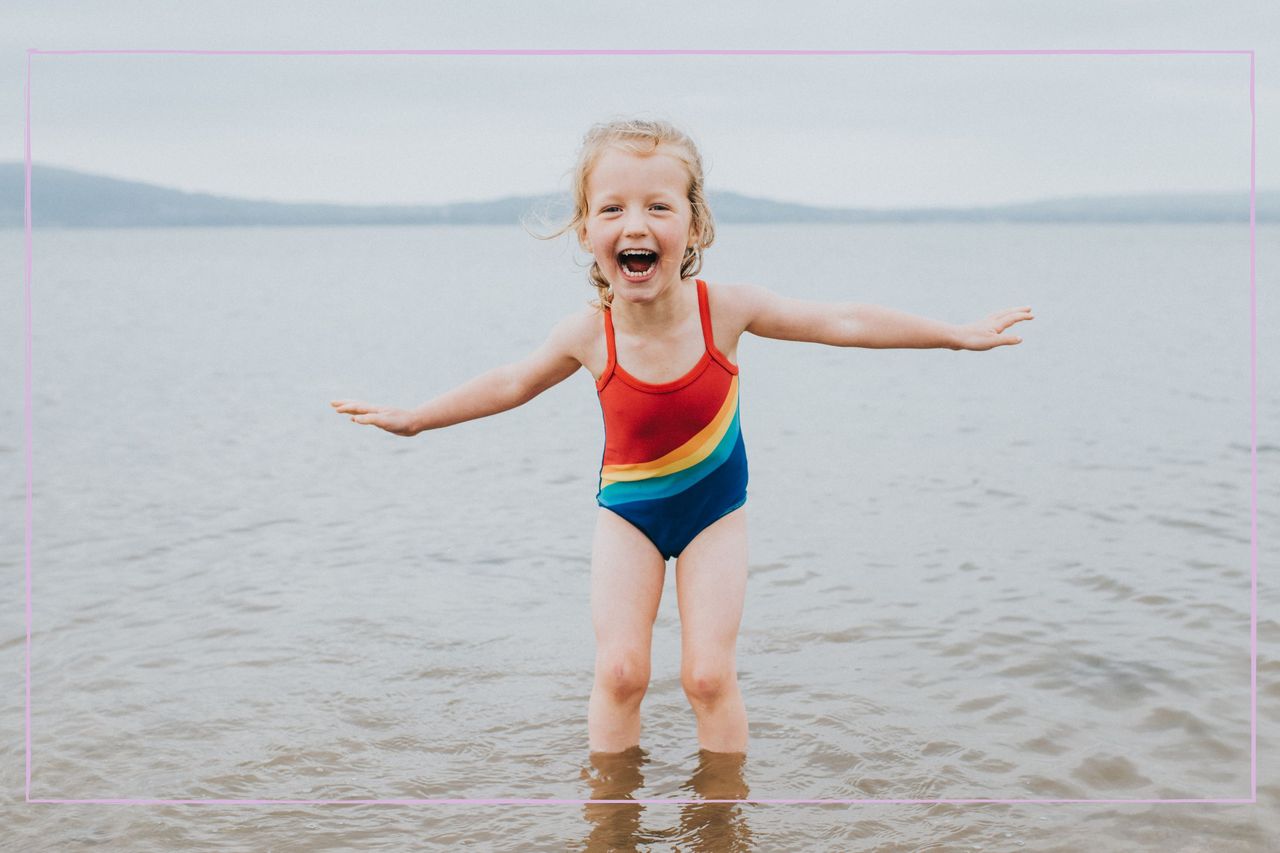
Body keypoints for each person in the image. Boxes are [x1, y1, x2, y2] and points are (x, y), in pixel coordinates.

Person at [330, 118, 1033, 757]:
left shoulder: (723, 309)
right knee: (620, 671)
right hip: (628, 516)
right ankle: (610, 821)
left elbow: (842, 320)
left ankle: (723, 819)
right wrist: (416, 416)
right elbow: (512, 382)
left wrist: (952, 335)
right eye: (613, 208)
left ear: (694, 227)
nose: (635, 222)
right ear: (585, 231)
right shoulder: (588, 333)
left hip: (714, 517)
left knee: (706, 674)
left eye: (658, 206)